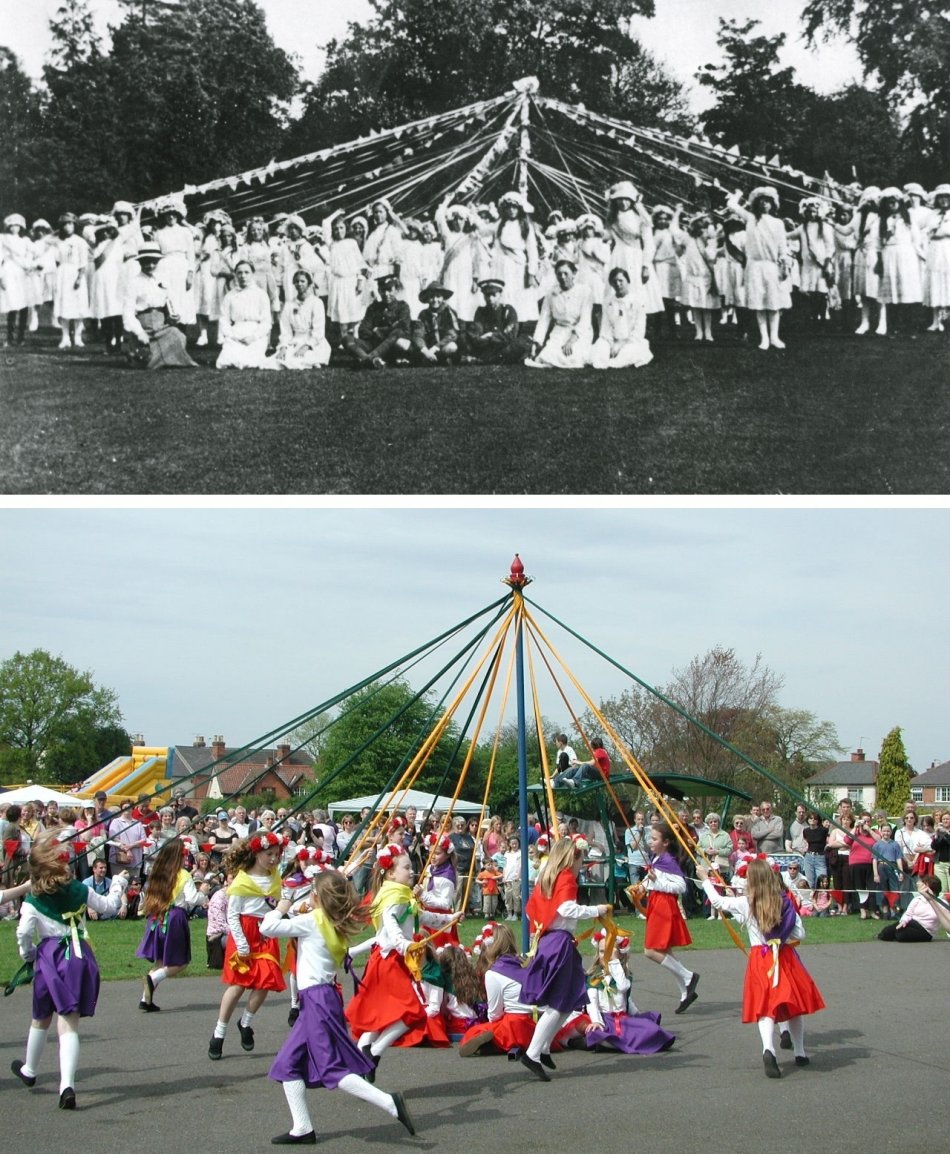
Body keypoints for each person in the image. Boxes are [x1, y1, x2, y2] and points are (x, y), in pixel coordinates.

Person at [261, 869, 416, 1144]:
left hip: (317, 1000)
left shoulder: (311, 921)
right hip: (321, 998)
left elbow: (267, 927)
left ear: (318, 897)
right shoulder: (334, 922)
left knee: (332, 1067)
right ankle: (302, 1128)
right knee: (287, 1063)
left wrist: (283, 904)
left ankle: (389, 1102)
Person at [12, 835, 128, 1109]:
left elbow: (24, 932)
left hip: (49, 957)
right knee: (68, 1021)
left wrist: (28, 954)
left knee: (40, 1016)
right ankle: (67, 1085)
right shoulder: (79, 889)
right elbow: (110, 907)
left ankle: (30, 1070)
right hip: (77, 956)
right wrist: (119, 883)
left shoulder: (33, 898)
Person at [698, 857, 825, 1078]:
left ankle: (768, 1048)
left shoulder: (746, 902)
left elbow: (718, 903)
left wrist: (705, 880)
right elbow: (800, 934)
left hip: (760, 958)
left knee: (766, 1007)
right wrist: (784, 933)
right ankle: (800, 1052)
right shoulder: (783, 901)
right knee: (793, 1005)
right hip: (784, 957)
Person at [344, 843, 458, 1072]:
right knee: (412, 1011)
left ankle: (362, 1055)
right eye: (406, 867)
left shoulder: (401, 895)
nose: (412, 871)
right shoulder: (393, 897)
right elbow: (390, 922)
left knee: (385, 1013)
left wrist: (450, 918)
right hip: (390, 960)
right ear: (390, 872)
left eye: (411, 867)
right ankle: (372, 1054)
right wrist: (403, 943)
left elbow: (422, 915)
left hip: (391, 959)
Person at [517, 836, 609, 1080]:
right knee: (560, 1004)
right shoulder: (566, 877)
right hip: (559, 943)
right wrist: (596, 910)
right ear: (574, 857)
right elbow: (566, 909)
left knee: (570, 1000)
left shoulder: (545, 879)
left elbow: (530, 912)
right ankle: (533, 1053)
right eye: (581, 859)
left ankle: (543, 1048)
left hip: (550, 940)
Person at [208, 832, 287, 1060]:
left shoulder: (275, 878)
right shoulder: (242, 880)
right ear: (257, 853)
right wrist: (242, 943)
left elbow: (278, 905)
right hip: (244, 932)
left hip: (266, 934)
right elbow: (233, 915)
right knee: (238, 985)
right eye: (269, 854)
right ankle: (219, 1033)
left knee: (265, 982)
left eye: (277, 854)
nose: (274, 859)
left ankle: (245, 1022)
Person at [582, 931, 675, 1054]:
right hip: (606, 1019)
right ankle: (616, 1043)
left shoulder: (622, 975)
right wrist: (596, 1021)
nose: (605, 956)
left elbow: (624, 991)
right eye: (602, 952)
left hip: (623, 1019)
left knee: (651, 1028)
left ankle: (618, 1044)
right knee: (595, 1032)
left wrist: (636, 1014)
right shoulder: (594, 977)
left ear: (620, 954)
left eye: (610, 952)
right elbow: (592, 1003)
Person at [136, 839, 200, 1012]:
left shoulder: (157, 874)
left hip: (156, 918)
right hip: (175, 918)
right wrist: (204, 896)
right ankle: (155, 978)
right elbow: (192, 899)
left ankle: (145, 999)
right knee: (180, 962)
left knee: (160, 960)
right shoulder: (183, 875)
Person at [641, 822, 698, 1012]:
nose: (651, 841)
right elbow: (655, 880)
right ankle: (685, 992)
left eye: (655, 839)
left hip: (664, 906)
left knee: (650, 951)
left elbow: (680, 886)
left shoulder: (668, 860)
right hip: (657, 903)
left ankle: (688, 976)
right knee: (666, 952)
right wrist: (643, 886)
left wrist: (657, 883)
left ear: (665, 842)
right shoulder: (657, 858)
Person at [726, 186, 791, 350]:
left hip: (771, 265)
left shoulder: (778, 223)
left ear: (773, 204)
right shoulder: (750, 219)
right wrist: (738, 193)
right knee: (759, 302)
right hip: (754, 266)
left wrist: (784, 265)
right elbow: (732, 205)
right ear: (755, 203)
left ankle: (775, 337)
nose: (764, 204)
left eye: (768, 201)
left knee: (774, 302)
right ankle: (764, 338)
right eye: (761, 201)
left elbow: (782, 246)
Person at [458, 921, 533, 1056]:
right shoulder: (525, 964)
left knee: (475, 1031)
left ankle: (493, 1045)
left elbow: (494, 1014)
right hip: (534, 1023)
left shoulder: (493, 973)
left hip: (514, 1023)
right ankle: (496, 1044)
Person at [122, 241, 198, 369]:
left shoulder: (162, 279)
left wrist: (174, 316)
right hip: (143, 326)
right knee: (143, 357)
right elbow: (128, 313)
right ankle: (153, 358)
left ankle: (165, 359)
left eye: (154, 262)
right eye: (146, 262)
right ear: (140, 262)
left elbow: (170, 302)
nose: (151, 265)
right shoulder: (133, 282)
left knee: (178, 336)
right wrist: (139, 332)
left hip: (161, 327)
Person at [526, 258, 594, 369]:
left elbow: (585, 320)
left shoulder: (585, 291)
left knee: (574, 357)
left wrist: (571, 341)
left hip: (580, 333)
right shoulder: (550, 294)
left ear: (574, 274)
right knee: (546, 356)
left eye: (566, 273)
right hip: (559, 331)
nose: (562, 277)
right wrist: (536, 343)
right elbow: (544, 319)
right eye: (559, 274)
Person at [216, 259, 276, 369]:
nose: (243, 276)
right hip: (236, 332)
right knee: (224, 362)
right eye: (239, 272)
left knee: (251, 363)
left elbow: (266, 322)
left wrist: (254, 337)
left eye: (246, 272)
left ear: (252, 274)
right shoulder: (230, 296)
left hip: (255, 333)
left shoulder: (261, 294)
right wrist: (231, 335)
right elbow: (224, 319)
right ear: (235, 274)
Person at [343, 274, 412, 368]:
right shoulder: (373, 308)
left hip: (394, 347)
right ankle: (371, 360)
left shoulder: (403, 307)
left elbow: (404, 329)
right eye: (383, 290)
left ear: (396, 290)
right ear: (379, 291)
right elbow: (362, 330)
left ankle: (367, 359)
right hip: (374, 344)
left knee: (397, 332)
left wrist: (380, 331)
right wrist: (377, 334)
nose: (386, 294)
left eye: (389, 290)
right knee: (347, 339)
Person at [590, 266, 653, 368]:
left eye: (621, 281)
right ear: (611, 284)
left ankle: (614, 361)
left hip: (631, 341)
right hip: (612, 340)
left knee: (629, 352)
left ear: (627, 281)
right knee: (599, 349)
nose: (618, 284)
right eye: (614, 281)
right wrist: (611, 344)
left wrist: (622, 344)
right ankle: (607, 358)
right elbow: (606, 326)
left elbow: (639, 329)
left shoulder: (638, 301)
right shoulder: (607, 301)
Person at [274, 270, 331, 369]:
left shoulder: (317, 303)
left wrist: (306, 347)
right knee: (281, 359)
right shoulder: (289, 305)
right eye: (296, 281)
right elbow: (285, 330)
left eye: (302, 281)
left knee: (302, 357)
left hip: (314, 342)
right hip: (296, 340)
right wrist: (283, 347)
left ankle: (311, 360)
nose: (299, 284)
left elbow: (319, 330)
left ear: (309, 283)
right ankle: (308, 362)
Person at [877, 874, 942, 942]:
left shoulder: (940, 903)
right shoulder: (917, 899)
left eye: (926, 887)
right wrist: (903, 922)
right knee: (886, 932)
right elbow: (908, 914)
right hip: (911, 923)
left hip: (926, 930)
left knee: (901, 935)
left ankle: (896, 935)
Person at [411, 283, 460, 365]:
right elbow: (418, 334)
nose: (435, 300)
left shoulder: (448, 312)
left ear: (443, 297)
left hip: (441, 346)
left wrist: (435, 348)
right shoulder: (423, 314)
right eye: (431, 297)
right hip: (428, 347)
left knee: (452, 346)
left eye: (438, 296)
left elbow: (452, 335)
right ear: (427, 299)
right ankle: (430, 359)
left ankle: (438, 359)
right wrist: (426, 351)